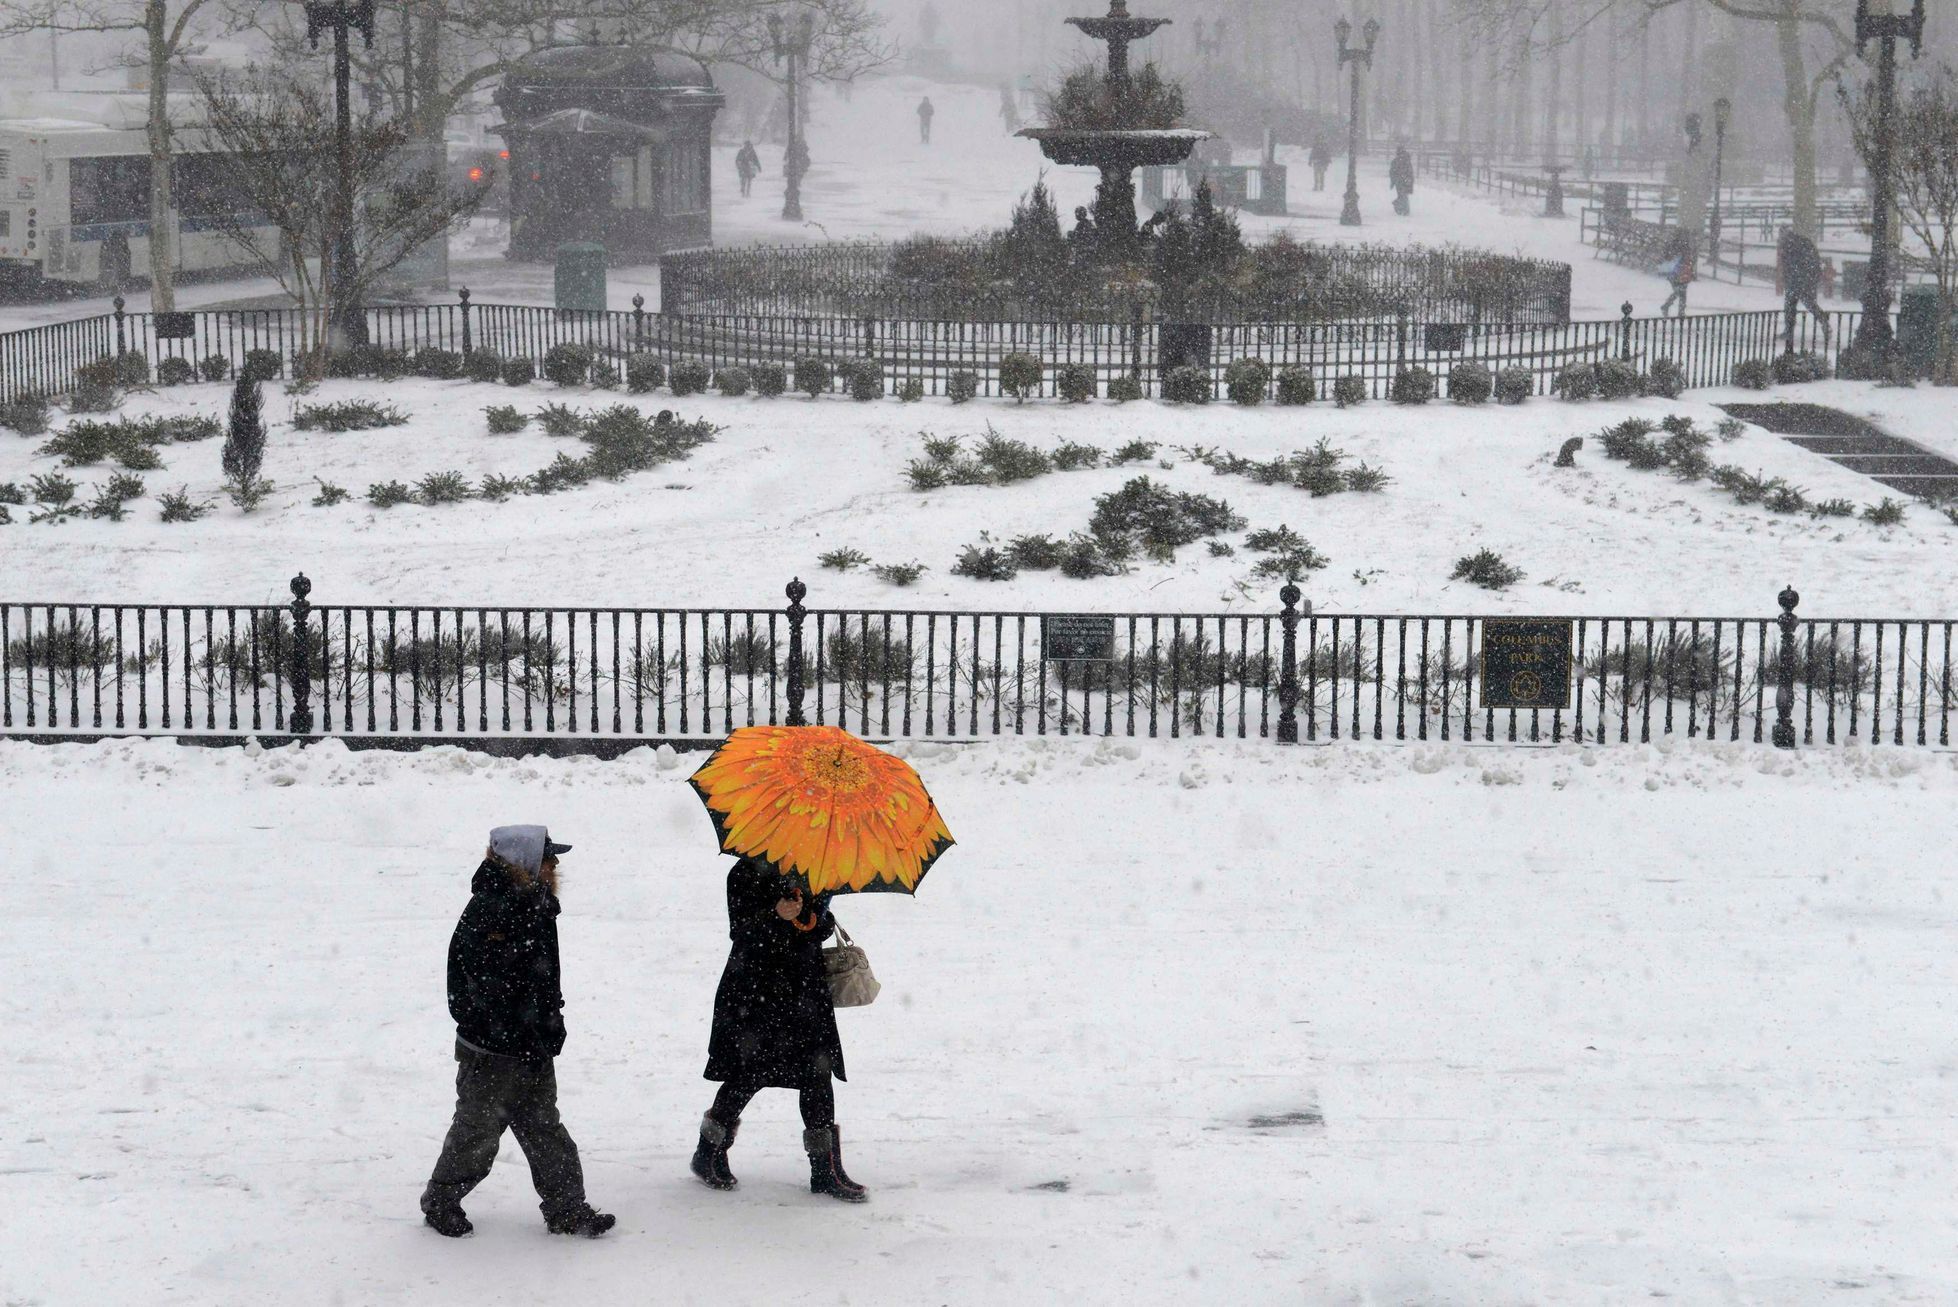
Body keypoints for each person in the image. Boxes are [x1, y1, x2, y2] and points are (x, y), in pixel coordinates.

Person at [420, 826, 615, 1239]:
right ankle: (440, 1201)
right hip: (492, 1051)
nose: (555, 865)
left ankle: (567, 1209)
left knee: (545, 1129)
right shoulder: (490, 910)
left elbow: (543, 980)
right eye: (548, 857)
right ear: (524, 861)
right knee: (476, 1133)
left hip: (531, 1046)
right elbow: (472, 987)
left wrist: (549, 1023)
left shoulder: (539, 905)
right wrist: (511, 1031)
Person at [691, 858, 867, 1203]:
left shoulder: (817, 868)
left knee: (818, 1073)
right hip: (756, 992)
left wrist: (810, 916)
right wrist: (776, 917)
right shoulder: (745, 871)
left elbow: (821, 928)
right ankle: (708, 1153)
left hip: (804, 991)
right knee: (748, 1073)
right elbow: (740, 931)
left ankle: (825, 1170)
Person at [1777, 226, 1830, 350]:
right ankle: (1823, 320)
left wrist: (1788, 278)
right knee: (1809, 303)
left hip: (1796, 280)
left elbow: (1788, 265)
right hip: (1807, 279)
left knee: (1790, 305)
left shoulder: (1788, 246)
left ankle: (1789, 330)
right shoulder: (1803, 242)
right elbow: (1814, 259)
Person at [1659, 227, 1697, 319]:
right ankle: (1672, 308)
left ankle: (1677, 310)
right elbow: (1687, 260)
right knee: (1680, 292)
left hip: (1679, 272)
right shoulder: (1680, 246)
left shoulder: (1678, 245)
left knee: (1681, 292)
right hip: (1678, 272)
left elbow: (1688, 260)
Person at [1389, 144, 1415, 217]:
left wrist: (1393, 181)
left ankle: (1401, 208)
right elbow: (1410, 171)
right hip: (1405, 180)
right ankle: (1404, 209)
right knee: (1404, 195)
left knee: (1402, 195)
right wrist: (1409, 179)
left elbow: (1392, 172)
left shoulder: (1397, 161)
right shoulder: (1406, 160)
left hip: (1400, 181)